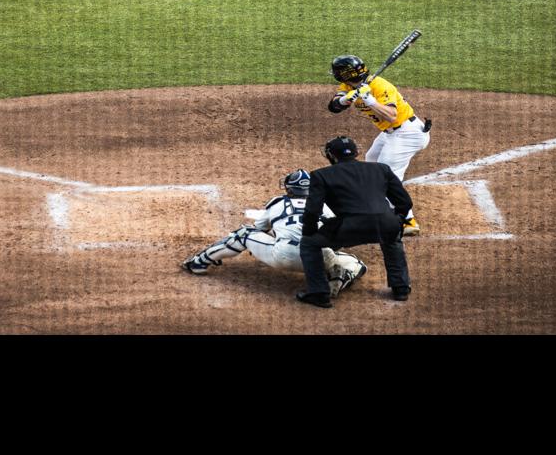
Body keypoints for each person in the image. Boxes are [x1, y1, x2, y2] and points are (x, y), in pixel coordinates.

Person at [182, 169, 368, 297]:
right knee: (357, 264)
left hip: (284, 255)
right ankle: (341, 278)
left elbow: (259, 228)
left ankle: (199, 262)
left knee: (245, 233)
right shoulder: (323, 205)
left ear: (289, 188)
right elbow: (335, 231)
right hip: (319, 258)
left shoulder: (278, 202)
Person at [296, 136, 412, 308]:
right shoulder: (382, 169)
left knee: (309, 244)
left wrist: (309, 231)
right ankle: (401, 288)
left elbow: (313, 210)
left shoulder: (321, 175)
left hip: (349, 227)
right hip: (384, 223)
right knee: (392, 237)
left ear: (332, 156)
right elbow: (405, 202)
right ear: (357, 152)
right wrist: (397, 220)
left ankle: (319, 293)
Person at [327, 54, 430, 235]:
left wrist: (370, 101)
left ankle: (407, 220)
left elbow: (391, 115)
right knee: (372, 159)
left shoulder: (380, 86)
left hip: (407, 133)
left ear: (345, 73)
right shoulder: (348, 85)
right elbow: (333, 107)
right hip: (390, 133)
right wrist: (345, 99)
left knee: (386, 174)